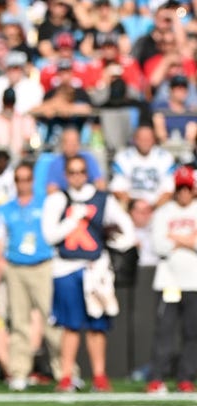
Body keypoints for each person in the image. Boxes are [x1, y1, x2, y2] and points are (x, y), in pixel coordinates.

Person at [41, 155, 135, 392]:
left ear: (87, 173)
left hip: (95, 268)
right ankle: (66, 376)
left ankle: (99, 376)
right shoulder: (57, 199)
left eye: (81, 172)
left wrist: (115, 243)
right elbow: (50, 236)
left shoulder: (103, 199)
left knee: (97, 325)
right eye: (72, 172)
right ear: (65, 175)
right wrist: (73, 220)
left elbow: (128, 230)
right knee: (70, 326)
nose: (77, 176)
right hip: (66, 267)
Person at [0, 161, 56, 391]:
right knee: (18, 322)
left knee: (53, 320)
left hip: (43, 265)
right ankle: (18, 371)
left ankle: (64, 370)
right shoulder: (6, 209)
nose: (23, 184)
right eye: (19, 179)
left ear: (32, 181)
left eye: (27, 179)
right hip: (15, 267)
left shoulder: (45, 204)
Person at [146, 167, 197, 393]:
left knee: (192, 333)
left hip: (194, 283)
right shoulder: (164, 212)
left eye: (188, 188)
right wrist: (189, 240)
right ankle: (157, 377)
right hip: (169, 282)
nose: (184, 193)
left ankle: (185, 377)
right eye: (180, 188)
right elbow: (159, 246)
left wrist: (177, 239)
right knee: (164, 331)